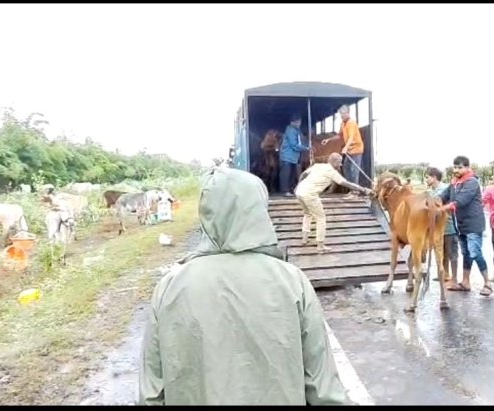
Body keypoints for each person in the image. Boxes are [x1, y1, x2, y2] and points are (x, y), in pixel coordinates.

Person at [138, 168, 349, 405]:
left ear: (206, 214)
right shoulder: (292, 281)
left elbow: (151, 395)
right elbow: (325, 392)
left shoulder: (169, 287)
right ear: (259, 211)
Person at [295, 153, 372, 253]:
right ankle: (320, 245)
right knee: (321, 218)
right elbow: (346, 184)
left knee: (307, 214)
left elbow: (303, 174)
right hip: (310, 194)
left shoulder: (318, 165)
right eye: (340, 163)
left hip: (299, 192)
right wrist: (364, 190)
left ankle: (304, 239)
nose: (340, 165)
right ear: (335, 162)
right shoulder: (332, 172)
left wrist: (298, 185)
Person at [438, 155, 491, 296]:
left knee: (475, 252)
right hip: (460, 224)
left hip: (473, 224)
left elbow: (461, 201)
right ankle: (465, 282)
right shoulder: (455, 182)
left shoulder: (472, 182)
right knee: (466, 253)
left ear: (467, 168)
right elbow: (444, 195)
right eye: (455, 167)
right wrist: (432, 201)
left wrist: (443, 208)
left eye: (460, 167)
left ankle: (487, 283)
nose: (456, 169)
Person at [425, 167, 461, 290]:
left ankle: (454, 278)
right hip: (437, 227)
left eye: (427, 177)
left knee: (451, 252)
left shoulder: (445, 189)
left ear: (434, 177)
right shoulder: (431, 191)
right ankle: (445, 274)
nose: (426, 180)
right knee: (441, 251)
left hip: (449, 225)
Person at [320, 105, 365, 200]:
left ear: (348, 113)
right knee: (346, 168)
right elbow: (339, 136)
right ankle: (351, 190)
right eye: (341, 114)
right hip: (349, 150)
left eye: (344, 114)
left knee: (354, 171)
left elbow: (351, 137)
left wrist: (345, 147)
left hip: (356, 149)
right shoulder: (343, 124)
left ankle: (355, 192)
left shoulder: (351, 123)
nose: (342, 116)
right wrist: (328, 140)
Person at [279, 114, 310, 197]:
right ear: (294, 122)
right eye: (298, 121)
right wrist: (306, 148)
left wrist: (307, 145)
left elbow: (302, 140)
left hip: (293, 157)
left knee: (292, 173)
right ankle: (285, 191)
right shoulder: (290, 130)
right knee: (286, 173)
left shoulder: (297, 130)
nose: (299, 123)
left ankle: (291, 190)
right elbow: (294, 144)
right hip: (287, 155)